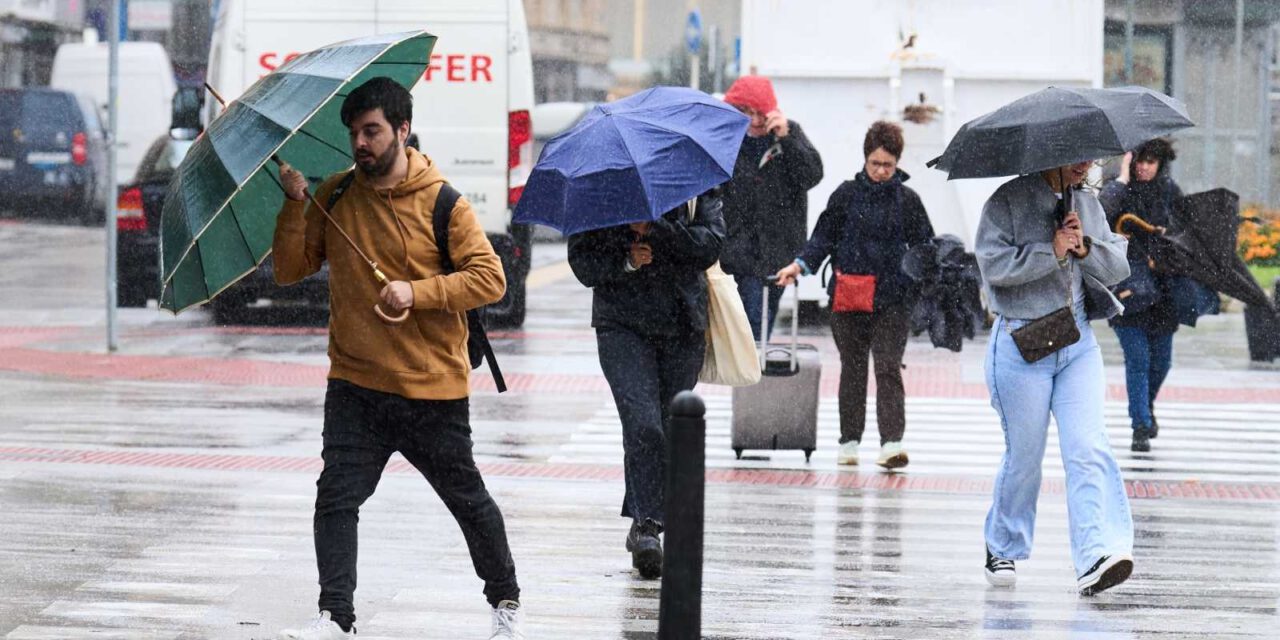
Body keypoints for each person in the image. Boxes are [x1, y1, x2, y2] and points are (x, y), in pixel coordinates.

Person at [272, 77, 523, 640]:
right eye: (354, 133)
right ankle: (336, 618)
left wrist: (418, 291)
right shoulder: (335, 195)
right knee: (336, 497)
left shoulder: (443, 203)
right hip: (355, 385)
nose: (360, 143)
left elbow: (491, 279)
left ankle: (505, 599)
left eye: (372, 131)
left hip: (430, 389)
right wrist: (292, 206)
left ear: (402, 130)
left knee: (467, 501)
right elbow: (289, 270)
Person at [975, 159, 1135, 596]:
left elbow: (1117, 266)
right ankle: (1002, 544)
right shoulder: (1006, 201)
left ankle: (1097, 554)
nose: (1085, 165)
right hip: (1021, 343)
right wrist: (1051, 250)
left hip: (1077, 343)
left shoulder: (1087, 203)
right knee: (1025, 456)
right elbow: (993, 268)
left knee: (1087, 447)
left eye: (1089, 157)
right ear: (1052, 155)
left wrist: (1085, 248)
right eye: (1076, 157)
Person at [567, 192, 725, 579]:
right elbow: (583, 262)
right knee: (643, 424)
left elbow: (710, 245)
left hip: (682, 325)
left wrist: (656, 229)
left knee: (669, 428)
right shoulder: (604, 191)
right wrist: (625, 255)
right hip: (622, 326)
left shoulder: (694, 185)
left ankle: (645, 517)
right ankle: (648, 525)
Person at [775, 121, 933, 469]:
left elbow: (925, 247)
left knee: (888, 367)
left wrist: (928, 283)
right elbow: (822, 238)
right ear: (865, 159)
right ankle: (849, 441)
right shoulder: (845, 195)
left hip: (893, 300)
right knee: (853, 369)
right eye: (875, 163)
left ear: (898, 163)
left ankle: (892, 443)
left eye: (888, 165)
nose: (881, 171)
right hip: (848, 299)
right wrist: (799, 265)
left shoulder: (908, 201)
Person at [720, 75, 823, 341]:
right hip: (738, 250)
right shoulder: (727, 140)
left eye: (760, 113)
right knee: (749, 324)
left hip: (777, 251)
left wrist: (787, 139)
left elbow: (812, 175)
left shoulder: (789, 133)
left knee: (762, 319)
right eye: (747, 112)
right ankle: (753, 363)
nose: (755, 121)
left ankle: (754, 362)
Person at [1098, 139, 1183, 453]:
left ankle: (1144, 408)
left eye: (1152, 161)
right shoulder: (1117, 190)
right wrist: (1121, 178)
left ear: (1161, 163)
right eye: (1140, 161)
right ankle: (1140, 425)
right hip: (1128, 290)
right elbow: (1100, 214)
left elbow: (1184, 233)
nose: (1145, 167)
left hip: (1163, 292)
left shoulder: (1170, 192)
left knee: (1162, 362)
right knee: (1138, 360)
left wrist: (1164, 247)